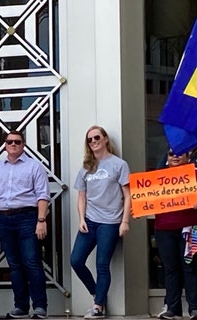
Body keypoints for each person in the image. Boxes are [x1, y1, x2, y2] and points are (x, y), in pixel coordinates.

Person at [0, 130, 50, 319]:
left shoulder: (34, 166)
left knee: (32, 262)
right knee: (14, 265)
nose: (13, 144)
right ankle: (21, 306)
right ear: (4, 145)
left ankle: (40, 307)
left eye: (17, 142)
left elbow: (43, 195)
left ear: (24, 144)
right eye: (9, 141)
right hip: (3, 220)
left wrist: (41, 220)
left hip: (28, 218)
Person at [69, 125, 131, 319]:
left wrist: (125, 221)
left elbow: (128, 195)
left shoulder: (119, 164)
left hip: (110, 222)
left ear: (105, 139)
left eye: (97, 137)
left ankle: (97, 307)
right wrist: (81, 219)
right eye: (90, 139)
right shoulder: (86, 167)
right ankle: (98, 294)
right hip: (90, 221)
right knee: (76, 260)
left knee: (102, 264)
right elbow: (81, 197)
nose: (93, 141)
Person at [154, 149, 197, 320]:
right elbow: (146, 199)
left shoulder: (194, 174)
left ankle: (194, 309)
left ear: (188, 157)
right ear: (166, 158)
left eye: (180, 153)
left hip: (192, 229)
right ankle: (173, 309)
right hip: (164, 229)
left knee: (191, 267)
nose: (175, 156)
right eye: (171, 154)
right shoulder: (158, 177)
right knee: (170, 269)